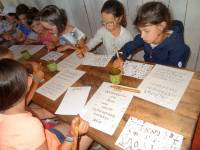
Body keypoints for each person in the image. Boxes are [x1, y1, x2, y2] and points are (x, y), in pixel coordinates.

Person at [0, 59, 92, 150]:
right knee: (91, 129)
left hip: (47, 139)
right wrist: (72, 135)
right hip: (55, 145)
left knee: (67, 122)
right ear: (28, 82)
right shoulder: (29, 126)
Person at [113, 1, 190, 69]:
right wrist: (120, 57)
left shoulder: (178, 47)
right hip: (149, 70)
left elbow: (173, 72)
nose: (142, 36)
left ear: (161, 27)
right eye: (140, 31)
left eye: (146, 31)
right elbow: (128, 47)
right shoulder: (146, 37)